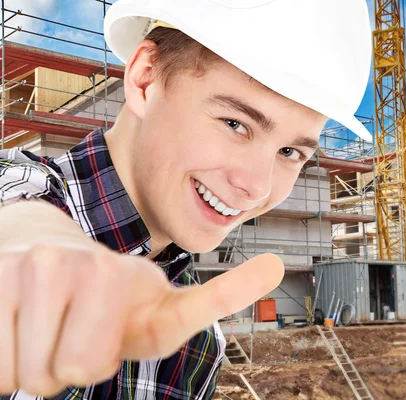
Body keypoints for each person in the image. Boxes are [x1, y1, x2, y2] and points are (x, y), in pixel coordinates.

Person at [0, 0, 372, 398]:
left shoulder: (197, 339)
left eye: (289, 153)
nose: (258, 187)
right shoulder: (25, 203)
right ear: (145, 80)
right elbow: (19, 217)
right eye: (236, 124)